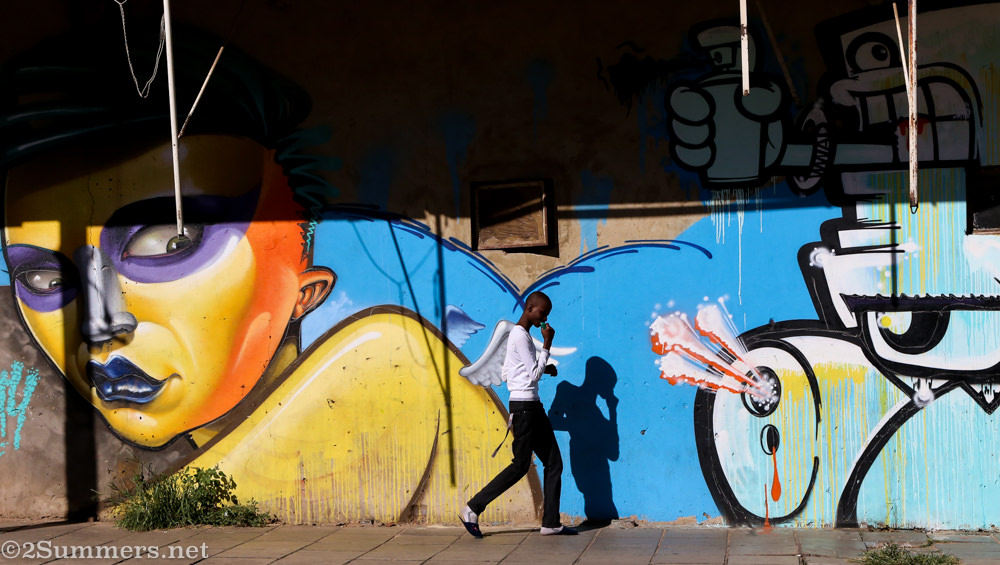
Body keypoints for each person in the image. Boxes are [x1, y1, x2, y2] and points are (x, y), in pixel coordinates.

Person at [1, 21, 540, 524]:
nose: (99, 324)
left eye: (171, 243)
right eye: (45, 279)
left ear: (305, 291)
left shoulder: (394, 363)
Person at [460, 291, 578, 536]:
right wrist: (547, 344)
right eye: (542, 313)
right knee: (520, 465)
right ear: (530, 307)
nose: (544, 319)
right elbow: (532, 374)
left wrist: (545, 368)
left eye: (547, 315)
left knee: (553, 463)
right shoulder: (519, 335)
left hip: (532, 407)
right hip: (525, 409)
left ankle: (550, 523)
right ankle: (472, 508)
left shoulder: (519, 335)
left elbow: (509, 372)